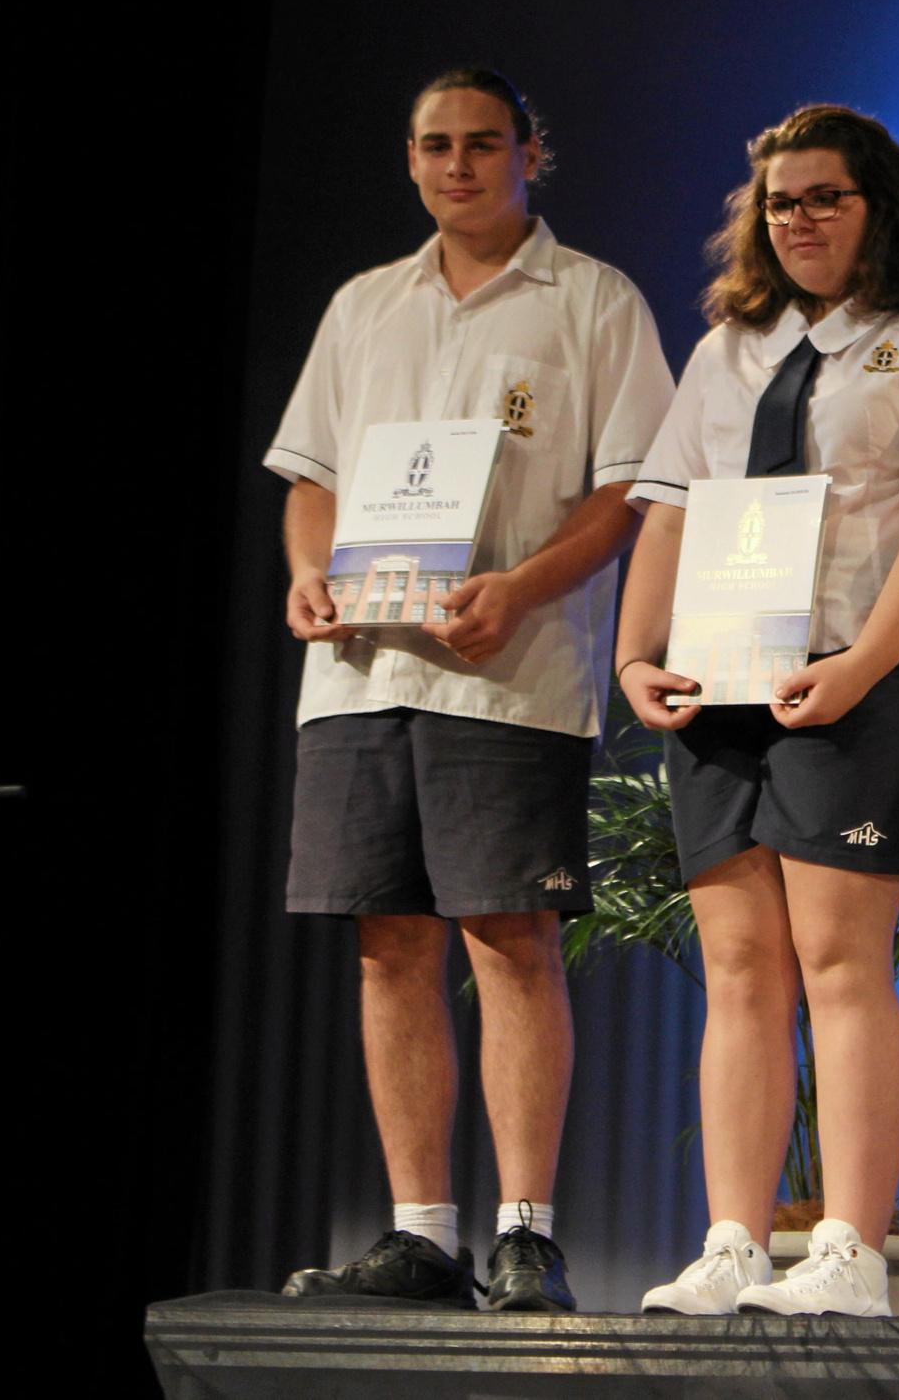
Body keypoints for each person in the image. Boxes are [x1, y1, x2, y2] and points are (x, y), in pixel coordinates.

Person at [267, 68, 675, 1311]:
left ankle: (526, 1230)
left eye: (483, 144)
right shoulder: (364, 305)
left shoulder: (592, 300)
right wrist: (303, 575)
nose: (459, 166)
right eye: (436, 146)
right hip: (356, 672)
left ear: (530, 154)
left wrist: (523, 586)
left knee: (510, 937)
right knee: (388, 946)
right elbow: (312, 478)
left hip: (509, 674)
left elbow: (633, 491)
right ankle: (422, 1230)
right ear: (409, 159)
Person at [618, 104, 899, 1318]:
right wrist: (637, 656)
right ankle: (734, 1239)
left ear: (879, 206)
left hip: (861, 675)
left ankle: (848, 1243)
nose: (799, 220)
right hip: (723, 677)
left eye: (825, 197)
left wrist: (860, 666)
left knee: (841, 962)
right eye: (781, 202)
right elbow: (672, 510)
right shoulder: (728, 348)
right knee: (739, 967)